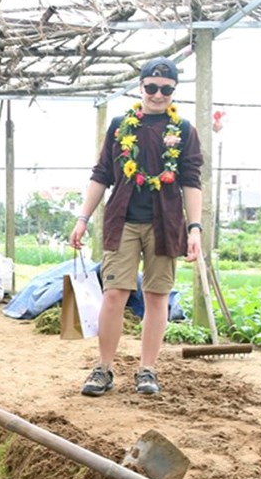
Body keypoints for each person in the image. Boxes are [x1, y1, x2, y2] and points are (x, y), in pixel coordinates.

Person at [69, 57, 203, 397]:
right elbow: (101, 174)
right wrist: (82, 218)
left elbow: (191, 181)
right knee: (115, 294)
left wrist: (196, 228)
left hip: (166, 222)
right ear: (140, 87)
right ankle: (104, 368)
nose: (158, 95)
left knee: (158, 296)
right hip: (123, 220)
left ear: (174, 91)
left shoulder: (184, 130)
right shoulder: (119, 125)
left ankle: (147, 370)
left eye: (166, 89)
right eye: (151, 88)